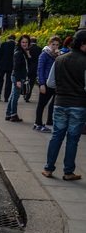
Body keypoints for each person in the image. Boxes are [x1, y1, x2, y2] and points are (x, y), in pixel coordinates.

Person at [41, 29, 86, 181]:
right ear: (83, 45)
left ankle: (48, 168)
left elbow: (50, 83)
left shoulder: (59, 59)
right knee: (73, 139)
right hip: (78, 104)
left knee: (56, 136)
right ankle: (68, 172)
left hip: (60, 102)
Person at [33, 36, 61, 132]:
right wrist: (42, 84)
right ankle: (38, 123)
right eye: (53, 44)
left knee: (54, 103)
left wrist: (59, 56)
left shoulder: (58, 56)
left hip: (55, 82)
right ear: (49, 44)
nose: (55, 47)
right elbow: (40, 69)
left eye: (57, 45)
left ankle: (49, 121)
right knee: (42, 104)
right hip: (46, 81)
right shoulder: (44, 55)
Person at [5, 34, 32, 122]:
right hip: (18, 77)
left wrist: (28, 55)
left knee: (13, 96)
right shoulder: (19, 53)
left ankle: (9, 113)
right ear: (20, 43)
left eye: (26, 42)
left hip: (19, 76)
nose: (25, 44)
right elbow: (16, 67)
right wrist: (17, 80)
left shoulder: (22, 52)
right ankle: (13, 114)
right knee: (15, 97)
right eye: (23, 42)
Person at [0, 34, 16, 102]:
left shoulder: (4, 44)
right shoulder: (15, 46)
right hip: (11, 66)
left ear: (8, 38)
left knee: (0, 79)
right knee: (9, 82)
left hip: (2, 64)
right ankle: (6, 97)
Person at [25, 36, 42, 102]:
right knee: (31, 83)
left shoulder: (28, 49)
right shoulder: (39, 49)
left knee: (26, 82)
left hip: (28, 67)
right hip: (35, 68)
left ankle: (24, 93)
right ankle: (27, 96)